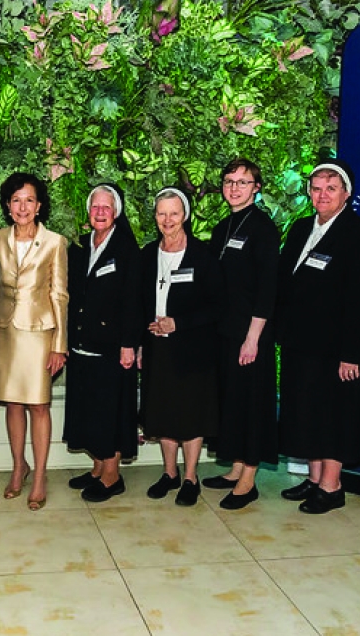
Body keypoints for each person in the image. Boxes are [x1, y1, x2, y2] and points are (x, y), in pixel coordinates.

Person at [275, 159, 360, 514]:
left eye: (331, 188)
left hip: (337, 349)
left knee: (335, 414)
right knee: (308, 413)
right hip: (301, 344)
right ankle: (315, 477)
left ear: (346, 194)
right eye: (317, 188)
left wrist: (352, 353)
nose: (322, 195)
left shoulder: (359, 235)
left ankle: (332, 487)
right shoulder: (302, 227)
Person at [0, 172, 69, 511]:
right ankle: (19, 466)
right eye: (16, 200)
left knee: (39, 405)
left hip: (39, 334)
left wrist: (59, 344)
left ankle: (41, 475)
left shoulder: (54, 242)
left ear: (39, 205)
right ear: (7, 205)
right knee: (13, 403)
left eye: (29, 200)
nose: (23, 207)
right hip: (4, 331)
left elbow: (59, 294)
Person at [203, 159, 280, 510]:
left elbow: (267, 290)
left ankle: (248, 479)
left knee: (251, 405)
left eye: (243, 182)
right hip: (224, 332)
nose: (234, 188)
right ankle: (235, 469)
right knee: (231, 402)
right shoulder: (223, 227)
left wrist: (253, 338)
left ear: (256, 188)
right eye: (229, 181)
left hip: (251, 335)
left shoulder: (263, 228)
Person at [138, 187, 218, 506]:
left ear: (184, 215)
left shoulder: (203, 255)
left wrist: (178, 323)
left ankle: (190, 477)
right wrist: (141, 343)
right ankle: (170, 473)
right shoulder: (147, 255)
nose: (167, 220)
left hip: (193, 348)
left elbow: (216, 306)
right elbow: (138, 303)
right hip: (156, 347)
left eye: (173, 213)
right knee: (163, 412)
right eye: (161, 213)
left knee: (191, 414)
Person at [63, 184, 141, 503]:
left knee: (110, 412)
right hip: (82, 344)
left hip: (112, 347)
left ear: (116, 212)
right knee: (89, 411)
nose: (99, 212)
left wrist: (128, 344)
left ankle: (112, 475)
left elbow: (134, 301)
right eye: (95, 206)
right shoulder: (81, 246)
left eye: (106, 207)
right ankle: (97, 467)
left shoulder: (125, 249)